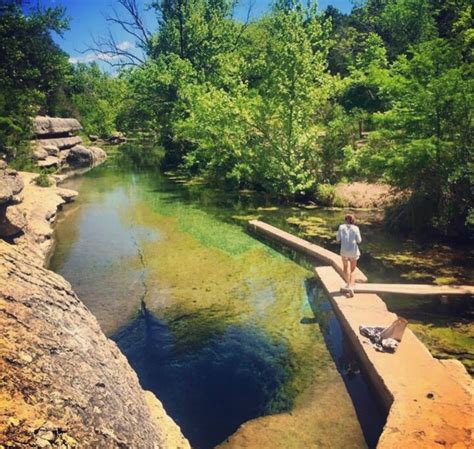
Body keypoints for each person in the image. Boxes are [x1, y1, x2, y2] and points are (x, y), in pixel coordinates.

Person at [336, 214, 362, 296]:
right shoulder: (356, 228)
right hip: (353, 252)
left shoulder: (341, 227)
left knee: (345, 268)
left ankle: (347, 284)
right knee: (353, 270)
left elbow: (338, 239)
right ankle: (351, 286)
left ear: (345, 219)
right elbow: (359, 240)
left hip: (344, 251)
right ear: (353, 220)